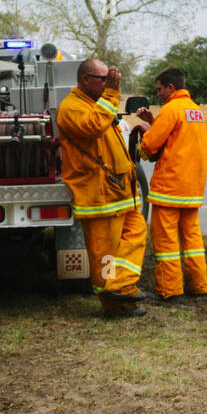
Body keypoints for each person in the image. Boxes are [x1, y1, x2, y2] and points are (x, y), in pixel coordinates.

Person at [58, 59, 148, 318]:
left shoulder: (97, 104)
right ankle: (115, 304)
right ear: (85, 79)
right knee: (105, 255)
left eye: (110, 80)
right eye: (103, 79)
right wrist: (112, 93)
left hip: (120, 193)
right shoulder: (71, 107)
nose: (109, 84)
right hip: (98, 195)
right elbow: (94, 127)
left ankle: (120, 287)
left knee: (136, 234)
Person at [135, 66, 207, 300]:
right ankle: (199, 286)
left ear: (171, 87)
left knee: (165, 240)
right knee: (192, 240)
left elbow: (149, 146)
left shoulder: (171, 109)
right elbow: (177, 138)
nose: (157, 94)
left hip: (169, 188)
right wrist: (154, 121)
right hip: (192, 189)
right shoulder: (195, 110)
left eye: (159, 89)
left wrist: (144, 135)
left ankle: (170, 290)